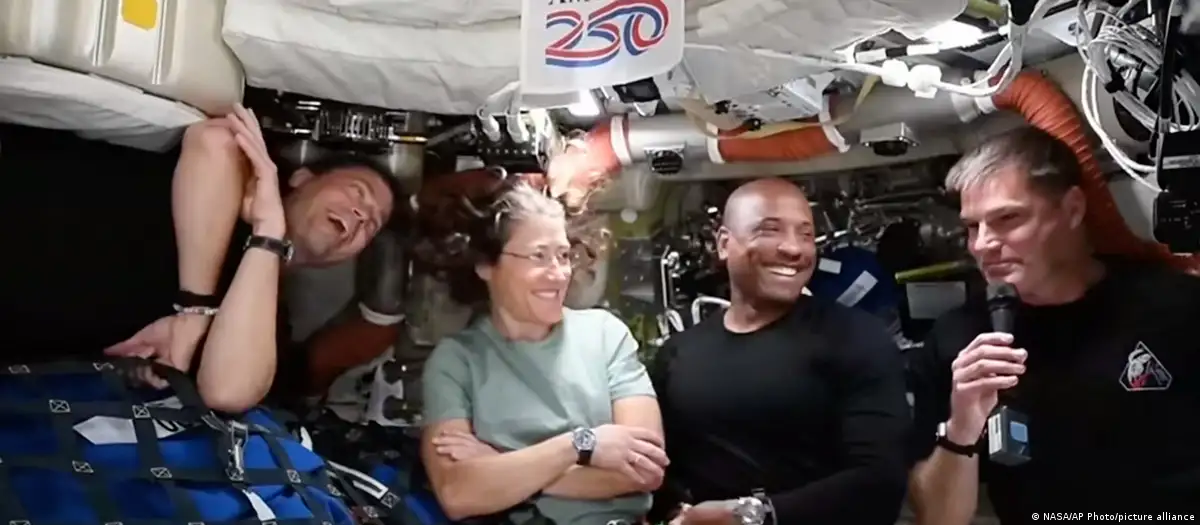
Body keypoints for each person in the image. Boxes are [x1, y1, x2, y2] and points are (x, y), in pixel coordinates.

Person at [0, 106, 402, 412]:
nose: (362, 215)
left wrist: (269, 235)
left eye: (371, 225)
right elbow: (216, 139)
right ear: (301, 178)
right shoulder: (231, 178)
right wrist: (196, 308)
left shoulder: (264, 325)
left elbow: (229, 391)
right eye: (357, 191)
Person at [906, 126, 1200, 523]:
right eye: (973, 227)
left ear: (1073, 209)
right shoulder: (959, 343)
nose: (983, 244)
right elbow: (939, 519)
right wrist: (962, 428)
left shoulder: (1174, 307)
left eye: (1007, 218)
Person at [649, 178, 911, 525]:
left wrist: (752, 516)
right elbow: (656, 470)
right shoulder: (678, 355)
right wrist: (674, 513)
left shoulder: (857, 339)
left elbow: (880, 483)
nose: (793, 248)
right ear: (725, 244)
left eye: (806, 234)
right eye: (770, 230)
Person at [418, 174, 669, 525]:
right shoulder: (456, 360)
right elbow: (459, 494)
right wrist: (582, 444)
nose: (559, 273)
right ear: (487, 264)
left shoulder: (604, 335)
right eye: (539, 256)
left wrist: (501, 466)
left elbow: (646, 470)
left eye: (563, 256)